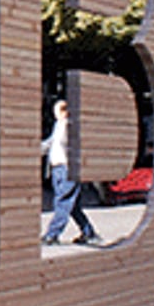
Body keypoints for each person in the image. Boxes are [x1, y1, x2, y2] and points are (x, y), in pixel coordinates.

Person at [40, 100, 100, 246]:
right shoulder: (59, 125)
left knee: (63, 201)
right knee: (72, 205)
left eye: (56, 110)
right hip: (57, 169)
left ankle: (52, 234)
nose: (54, 114)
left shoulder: (70, 127)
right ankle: (88, 233)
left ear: (63, 111)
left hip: (67, 168)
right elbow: (50, 143)